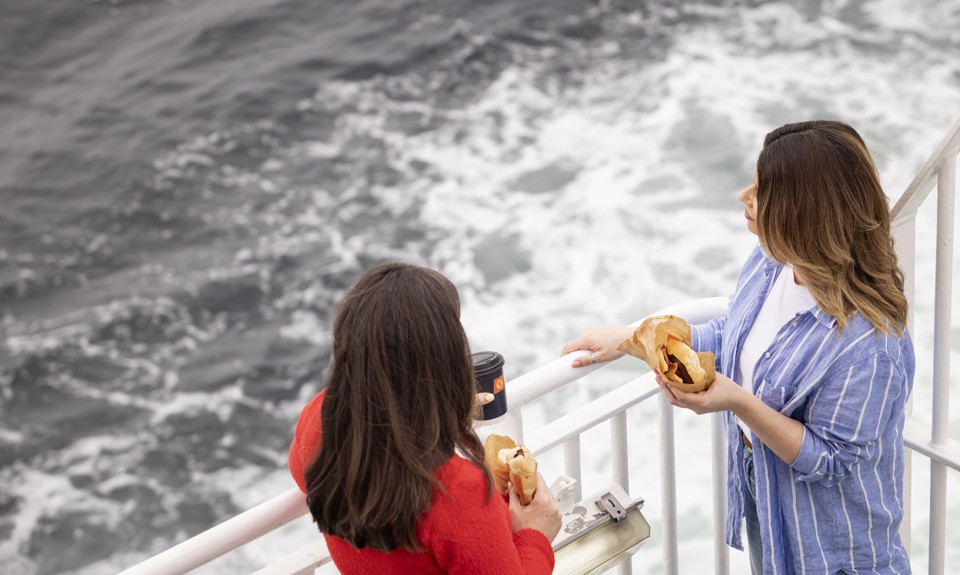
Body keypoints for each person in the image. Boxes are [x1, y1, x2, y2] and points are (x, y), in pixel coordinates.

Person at [562, 121, 914, 575]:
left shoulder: (870, 343)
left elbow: (832, 459)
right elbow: (736, 334)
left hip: (833, 547)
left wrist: (737, 403)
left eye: (761, 190)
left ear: (802, 213)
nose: (743, 195)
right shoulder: (773, 262)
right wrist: (632, 340)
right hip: (767, 497)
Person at [288, 262, 561, 574]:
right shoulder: (458, 493)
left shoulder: (318, 420)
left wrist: (443, 408)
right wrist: (536, 534)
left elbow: (376, 419)